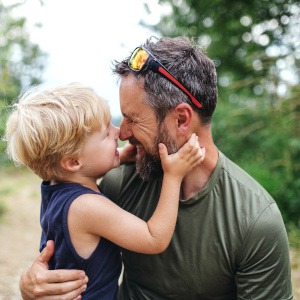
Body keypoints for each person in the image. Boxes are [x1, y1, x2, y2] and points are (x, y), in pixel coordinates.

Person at [19, 36, 293, 300]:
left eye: (132, 119)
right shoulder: (119, 183)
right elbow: (68, 244)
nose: (123, 133)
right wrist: (31, 285)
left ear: (182, 120)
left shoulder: (256, 221)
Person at [5, 82, 205, 299]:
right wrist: (173, 176)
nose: (118, 132)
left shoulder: (55, 187)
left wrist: (118, 156)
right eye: (106, 134)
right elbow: (153, 238)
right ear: (72, 161)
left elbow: (83, 170)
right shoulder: (87, 207)